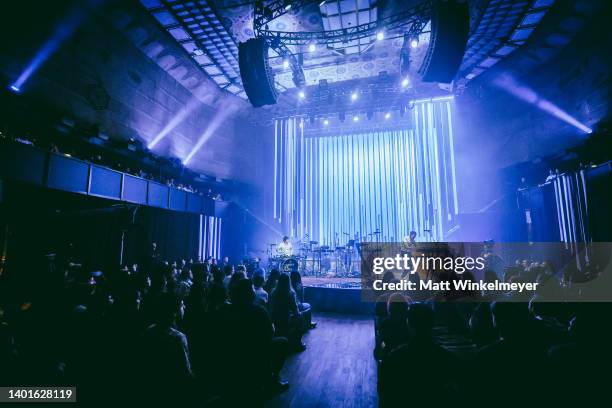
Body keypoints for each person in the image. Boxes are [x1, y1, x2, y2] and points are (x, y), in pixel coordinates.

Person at [269, 273, 305, 351]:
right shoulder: (291, 293)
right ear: (289, 281)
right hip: (285, 320)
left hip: (274, 320)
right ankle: (298, 343)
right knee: (300, 317)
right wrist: (298, 314)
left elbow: (271, 308)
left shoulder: (273, 292)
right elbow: (296, 310)